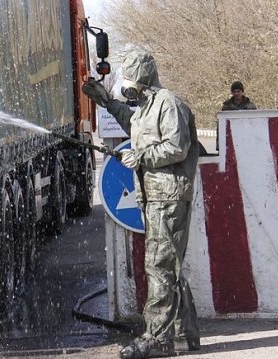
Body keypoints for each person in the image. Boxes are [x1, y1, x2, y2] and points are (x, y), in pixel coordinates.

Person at [82, 51, 200, 358]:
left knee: (160, 266)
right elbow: (130, 119)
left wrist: (143, 157)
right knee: (168, 265)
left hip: (169, 196)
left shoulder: (169, 104)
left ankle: (158, 339)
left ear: (145, 77)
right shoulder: (147, 107)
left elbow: (178, 146)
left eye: (132, 79)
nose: (129, 86)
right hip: (156, 195)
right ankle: (186, 335)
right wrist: (105, 99)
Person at [216, 81, 257, 150]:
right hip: (231, 139)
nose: (236, 93)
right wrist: (219, 145)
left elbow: (255, 124)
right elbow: (221, 126)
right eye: (234, 91)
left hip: (246, 139)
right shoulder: (226, 107)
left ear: (242, 92)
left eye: (238, 91)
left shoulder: (250, 106)